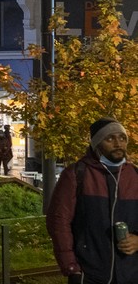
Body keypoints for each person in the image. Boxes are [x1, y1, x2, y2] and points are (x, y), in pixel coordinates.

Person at [47, 117, 138, 284]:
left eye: (122, 138)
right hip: (89, 274)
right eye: (110, 138)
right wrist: (71, 267)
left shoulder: (135, 176)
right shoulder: (76, 174)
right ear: (96, 144)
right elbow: (58, 221)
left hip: (130, 273)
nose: (118, 143)